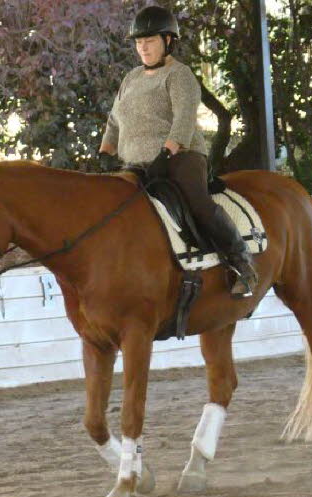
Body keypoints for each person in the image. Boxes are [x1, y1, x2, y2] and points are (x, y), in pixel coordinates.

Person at [99, 5, 258, 297]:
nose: (143, 47)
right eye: (138, 42)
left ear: (168, 41)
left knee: (196, 202)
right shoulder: (131, 78)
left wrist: (167, 153)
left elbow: (184, 119)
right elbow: (114, 119)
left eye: (149, 40)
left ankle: (242, 262)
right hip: (134, 162)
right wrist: (105, 152)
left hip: (180, 156)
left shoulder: (179, 75)